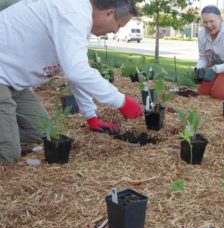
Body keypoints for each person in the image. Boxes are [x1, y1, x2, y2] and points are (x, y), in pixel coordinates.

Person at [0, 0, 144, 163]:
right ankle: (7, 142)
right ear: (109, 13)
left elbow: (75, 70)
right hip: (2, 76)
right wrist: (122, 102)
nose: (115, 32)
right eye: (119, 25)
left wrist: (91, 116)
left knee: (42, 132)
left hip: (13, 80)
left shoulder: (77, 17)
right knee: (9, 154)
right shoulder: (74, 14)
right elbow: (77, 71)